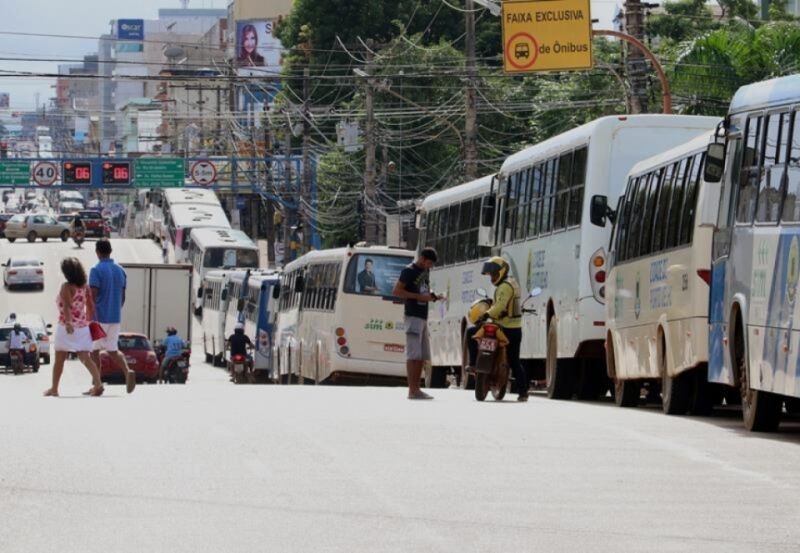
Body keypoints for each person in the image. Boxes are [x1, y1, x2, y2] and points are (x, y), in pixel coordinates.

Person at [467, 256, 528, 402]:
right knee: (514, 361)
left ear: (501, 272)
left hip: (505, 328)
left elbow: (500, 306)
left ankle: (473, 364)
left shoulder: (505, 286)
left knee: (470, 332)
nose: (492, 277)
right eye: (490, 275)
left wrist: (487, 313)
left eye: (494, 274)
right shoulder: (510, 283)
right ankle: (523, 392)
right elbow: (502, 303)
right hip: (510, 327)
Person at [43, 257, 104, 397]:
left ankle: (54, 388)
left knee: (59, 358)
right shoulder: (85, 287)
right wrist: (88, 321)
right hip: (82, 328)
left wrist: (69, 323)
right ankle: (98, 383)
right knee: (85, 358)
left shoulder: (66, 286)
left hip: (66, 327)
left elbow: (67, 307)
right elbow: (91, 307)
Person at [391, 247, 439, 400]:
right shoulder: (409, 271)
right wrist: (418, 296)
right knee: (413, 355)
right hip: (412, 316)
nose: (429, 266)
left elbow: (424, 290)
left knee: (422, 356)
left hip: (423, 316)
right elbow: (397, 291)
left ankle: (417, 389)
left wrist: (433, 296)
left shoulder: (425, 272)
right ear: (423, 258)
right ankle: (412, 390)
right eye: (429, 263)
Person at [89, 239, 136, 394]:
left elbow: (93, 295)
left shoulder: (96, 269)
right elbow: (123, 297)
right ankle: (127, 370)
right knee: (113, 349)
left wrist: (89, 316)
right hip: (115, 317)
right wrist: (115, 309)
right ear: (110, 251)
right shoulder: (120, 270)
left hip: (99, 318)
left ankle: (97, 383)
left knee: (94, 351)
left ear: (97, 252)